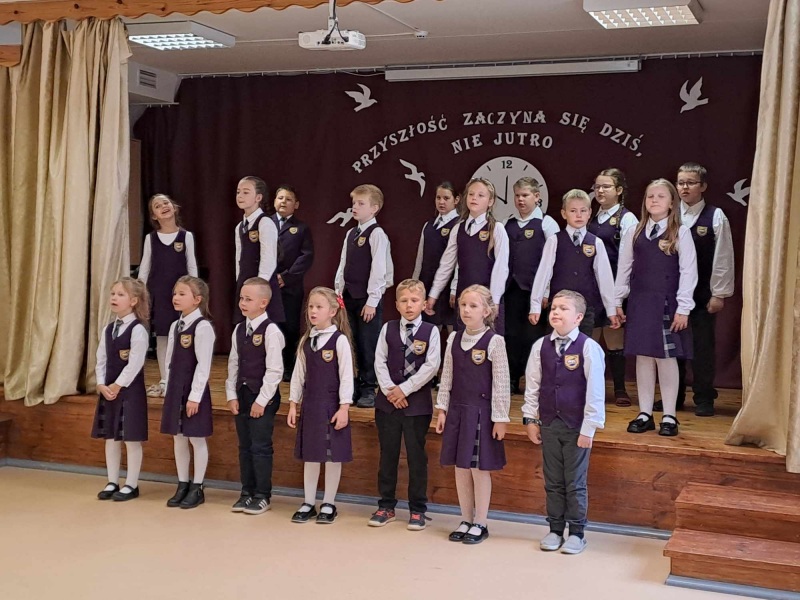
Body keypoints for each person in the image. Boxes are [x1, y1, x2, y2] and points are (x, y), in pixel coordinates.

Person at [523, 290, 606, 555]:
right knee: (553, 480)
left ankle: (577, 533)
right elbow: (533, 386)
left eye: (563, 308)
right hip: (549, 423)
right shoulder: (540, 346)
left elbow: (595, 391)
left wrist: (589, 428)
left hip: (576, 426)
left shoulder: (588, 347)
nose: (556, 312)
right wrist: (531, 418)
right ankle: (555, 529)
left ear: (578, 317)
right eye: (554, 308)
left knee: (575, 482)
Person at [616, 179, 698, 437]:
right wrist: (617, 301)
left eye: (661, 196)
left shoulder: (680, 232)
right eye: (650, 196)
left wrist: (684, 307)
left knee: (666, 358)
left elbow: (688, 271)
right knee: (643, 356)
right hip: (640, 302)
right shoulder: (635, 231)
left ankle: (670, 415)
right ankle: (645, 413)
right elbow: (624, 268)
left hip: (667, 302)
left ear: (672, 202)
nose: (654, 200)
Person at [435, 285, 510, 545]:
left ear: (486, 311)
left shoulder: (494, 342)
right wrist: (442, 409)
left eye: (473, 306)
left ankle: (481, 522)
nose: (466, 310)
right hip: (457, 411)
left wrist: (500, 418)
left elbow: (501, 383)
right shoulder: (453, 339)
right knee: (461, 468)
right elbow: (446, 377)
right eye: (463, 305)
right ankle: (465, 518)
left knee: (479, 469)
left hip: (481, 413)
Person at [370, 279, 441, 530]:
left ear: (423, 304)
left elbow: (431, 366)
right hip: (387, 404)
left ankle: (417, 509)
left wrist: (405, 389)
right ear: (397, 304)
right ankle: (386, 505)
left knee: (416, 457)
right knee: (387, 455)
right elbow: (379, 361)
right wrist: (390, 390)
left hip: (416, 406)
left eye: (414, 300)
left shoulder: (431, 331)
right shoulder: (387, 328)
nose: (409, 305)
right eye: (404, 301)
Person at [287, 287, 355, 524]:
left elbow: (346, 376)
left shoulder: (339, 341)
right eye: (310, 307)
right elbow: (299, 374)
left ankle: (328, 503)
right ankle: (308, 502)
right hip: (311, 405)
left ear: (333, 311)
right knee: (311, 455)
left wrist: (344, 407)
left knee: (332, 456)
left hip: (332, 406)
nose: (313, 311)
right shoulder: (307, 340)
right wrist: (293, 403)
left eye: (318, 307)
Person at [673, 162, 735, 417]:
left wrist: (718, 293)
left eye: (690, 183)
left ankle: (704, 398)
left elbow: (723, 257)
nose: (684, 188)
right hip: (673, 293)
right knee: (672, 349)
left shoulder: (715, 216)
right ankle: (673, 397)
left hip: (702, 294)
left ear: (703, 186)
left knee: (702, 348)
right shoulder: (669, 213)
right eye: (681, 183)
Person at [226, 277, 284, 515]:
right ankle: (246, 491)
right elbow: (233, 363)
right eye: (241, 298)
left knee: (260, 446)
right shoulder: (239, 329)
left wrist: (261, 401)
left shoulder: (271, 331)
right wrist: (231, 394)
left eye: (248, 299)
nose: (242, 303)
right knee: (245, 446)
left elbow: (275, 370)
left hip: (263, 397)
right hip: (242, 394)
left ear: (263, 303)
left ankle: (262, 495)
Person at [334, 184, 394, 408]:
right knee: (351, 342)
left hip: (367, 300)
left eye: (361, 203)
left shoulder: (377, 234)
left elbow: (379, 269)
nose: (355, 207)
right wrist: (338, 291)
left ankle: (369, 386)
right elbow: (343, 264)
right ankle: (353, 385)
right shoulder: (351, 233)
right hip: (349, 296)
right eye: (354, 203)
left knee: (368, 343)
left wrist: (372, 301)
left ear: (374, 208)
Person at [425, 178, 510, 335]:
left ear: (490, 201)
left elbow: (501, 268)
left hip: (486, 301)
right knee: (462, 342)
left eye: (480, 195)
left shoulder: (497, 229)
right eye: (471, 194)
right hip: (463, 299)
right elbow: (446, 265)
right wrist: (433, 294)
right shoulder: (458, 229)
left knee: (487, 343)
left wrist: (495, 300)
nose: (474, 198)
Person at [529, 189, 619, 335]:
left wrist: (611, 309)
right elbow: (543, 274)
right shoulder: (554, 240)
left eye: (583, 211)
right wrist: (535, 305)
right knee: (556, 344)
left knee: (581, 345)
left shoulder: (596, 242)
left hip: (585, 308)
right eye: (573, 211)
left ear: (589, 213)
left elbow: (605, 278)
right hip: (558, 307)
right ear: (564, 213)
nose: (578, 215)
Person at [92, 278, 150, 502]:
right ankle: (112, 480)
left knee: (131, 439)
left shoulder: (138, 330)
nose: (114, 298)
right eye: (113, 293)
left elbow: (134, 364)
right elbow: (101, 359)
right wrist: (101, 383)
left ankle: (131, 484)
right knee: (111, 438)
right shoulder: (108, 329)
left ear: (134, 301)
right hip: (109, 391)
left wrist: (117, 385)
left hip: (129, 392)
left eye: (121, 294)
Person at [161, 276, 216, 508]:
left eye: (182, 294)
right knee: (178, 437)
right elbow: (169, 360)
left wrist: (195, 396)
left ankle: (197, 486)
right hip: (175, 389)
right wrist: (167, 386)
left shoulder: (202, 327)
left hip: (193, 392)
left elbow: (203, 366)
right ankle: (182, 483)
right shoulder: (175, 326)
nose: (176, 297)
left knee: (196, 438)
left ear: (197, 299)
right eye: (175, 293)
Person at [587, 169, 639, 407]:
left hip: (615, 290)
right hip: (591, 289)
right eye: (597, 186)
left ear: (618, 190)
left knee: (614, 338)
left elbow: (630, 260)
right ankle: (591, 389)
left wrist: (619, 295)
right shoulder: (590, 217)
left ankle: (619, 389)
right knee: (590, 339)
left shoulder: (627, 220)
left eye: (606, 186)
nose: (600, 190)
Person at [138, 193, 198, 397]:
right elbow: (144, 270)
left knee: (182, 336)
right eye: (157, 205)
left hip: (182, 296)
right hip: (159, 295)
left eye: (166, 202)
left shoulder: (186, 237)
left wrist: (195, 293)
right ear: (154, 216)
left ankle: (182, 380)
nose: (163, 206)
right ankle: (165, 380)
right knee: (163, 337)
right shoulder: (151, 239)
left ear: (174, 207)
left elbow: (192, 267)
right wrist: (141, 295)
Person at [504, 177, 559, 394]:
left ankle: (531, 381)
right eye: (517, 195)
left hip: (535, 291)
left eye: (525, 195)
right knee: (511, 335)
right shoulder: (507, 223)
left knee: (532, 337)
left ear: (537, 197)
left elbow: (554, 261)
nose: (520, 199)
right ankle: (512, 378)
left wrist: (546, 292)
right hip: (512, 290)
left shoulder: (547, 223)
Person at [270, 185, 314, 381]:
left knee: (289, 326)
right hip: (266, 286)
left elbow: (306, 256)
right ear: (274, 201)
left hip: (290, 287)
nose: (283, 202)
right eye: (280, 198)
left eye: (288, 199)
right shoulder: (265, 224)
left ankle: (289, 367)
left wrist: (285, 277)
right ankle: (270, 366)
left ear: (296, 205)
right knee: (269, 326)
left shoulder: (302, 228)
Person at [234, 176, 284, 325]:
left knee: (264, 327)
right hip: (245, 283)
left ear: (258, 197)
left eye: (246, 192)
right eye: (238, 192)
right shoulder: (240, 227)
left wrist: (258, 288)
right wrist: (241, 283)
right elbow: (239, 259)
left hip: (261, 286)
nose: (240, 196)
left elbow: (268, 260)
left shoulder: (265, 222)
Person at [412, 182, 461, 330]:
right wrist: (415, 283)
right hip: (427, 282)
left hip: (448, 285)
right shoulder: (429, 225)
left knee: (452, 328)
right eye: (438, 198)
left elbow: (460, 260)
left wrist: (454, 288)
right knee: (429, 328)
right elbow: (420, 257)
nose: (441, 202)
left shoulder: (460, 224)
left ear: (456, 200)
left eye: (446, 198)